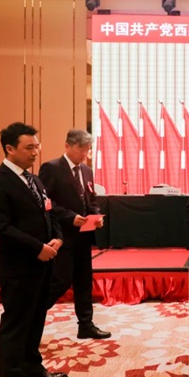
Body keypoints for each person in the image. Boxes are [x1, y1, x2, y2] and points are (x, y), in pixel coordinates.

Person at [0, 122, 65, 377]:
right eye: (29, 147)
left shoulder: (34, 180)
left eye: (37, 146)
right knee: (16, 325)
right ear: (10, 149)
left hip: (44, 263)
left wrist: (57, 238)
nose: (35, 152)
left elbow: (50, 213)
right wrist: (36, 248)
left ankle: (33, 369)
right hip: (19, 266)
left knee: (36, 318)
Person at [38, 130, 111, 340]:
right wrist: (69, 217)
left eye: (88, 149)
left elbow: (91, 200)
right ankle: (32, 313)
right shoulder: (52, 168)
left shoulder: (87, 170)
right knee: (60, 281)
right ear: (67, 146)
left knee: (84, 281)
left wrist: (96, 216)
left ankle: (86, 325)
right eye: (81, 149)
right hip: (62, 235)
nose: (84, 154)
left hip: (83, 235)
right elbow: (45, 201)